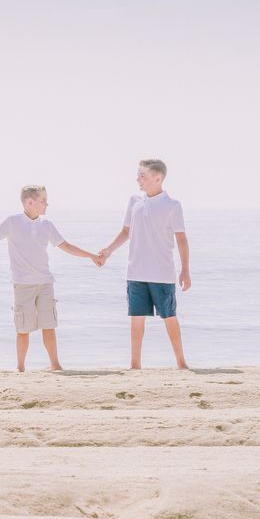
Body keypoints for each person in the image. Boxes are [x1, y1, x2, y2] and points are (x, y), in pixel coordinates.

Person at [0, 185, 102, 371]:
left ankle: (55, 365)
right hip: (23, 285)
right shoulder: (12, 222)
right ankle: (20, 367)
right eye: (43, 200)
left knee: (49, 326)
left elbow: (67, 246)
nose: (47, 204)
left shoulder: (46, 225)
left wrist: (92, 256)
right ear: (29, 202)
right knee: (23, 329)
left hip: (45, 283)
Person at [94, 158, 191, 370]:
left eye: (142, 175)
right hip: (135, 271)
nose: (138, 179)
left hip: (162, 273)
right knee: (136, 318)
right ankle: (135, 364)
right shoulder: (134, 201)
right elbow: (126, 232)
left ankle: (181, 363)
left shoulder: (172, 205)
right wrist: (108, 251)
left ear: (158, 178)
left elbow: (181, 239)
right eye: (138, 175)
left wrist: (185, 269)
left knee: (169, 316)